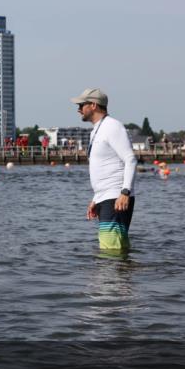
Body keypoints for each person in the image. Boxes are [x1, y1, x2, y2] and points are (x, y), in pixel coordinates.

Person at [70, 88, 137, 252]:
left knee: (110, 251)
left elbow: (130, 159)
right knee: (116, 249)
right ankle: (122, 276)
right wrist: (96, 198)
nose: (78, 109)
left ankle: (112, 278)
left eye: (81, 104)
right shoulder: (97, 130)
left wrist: (125, 192)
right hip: (105, 197)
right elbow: (104, 167)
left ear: (93, 105)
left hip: (116, 197)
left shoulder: (113, 126)